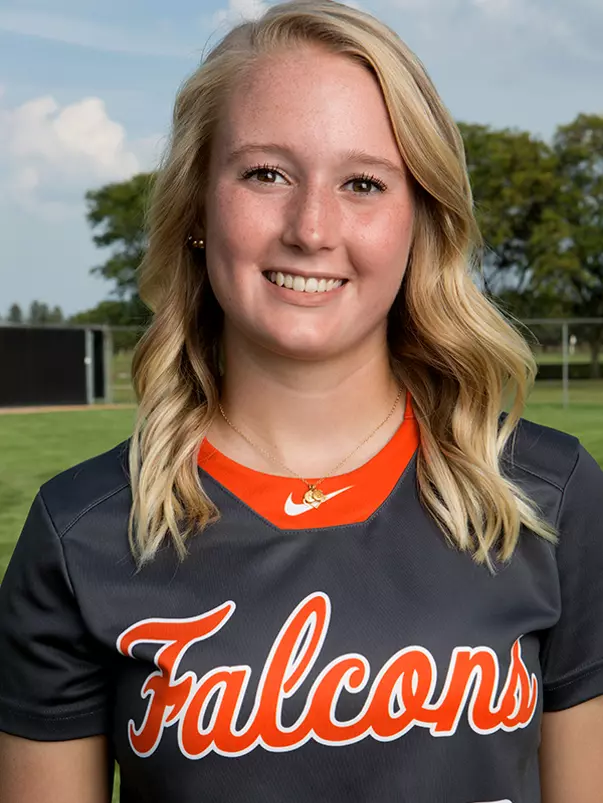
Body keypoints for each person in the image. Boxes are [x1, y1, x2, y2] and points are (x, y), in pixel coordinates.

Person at [0, 1, 602, 801]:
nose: (311, 227)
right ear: (197, 211)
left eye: (362, 183)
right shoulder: (81, 534)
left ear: (417, 221)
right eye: (265, 174)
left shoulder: (545, 496)